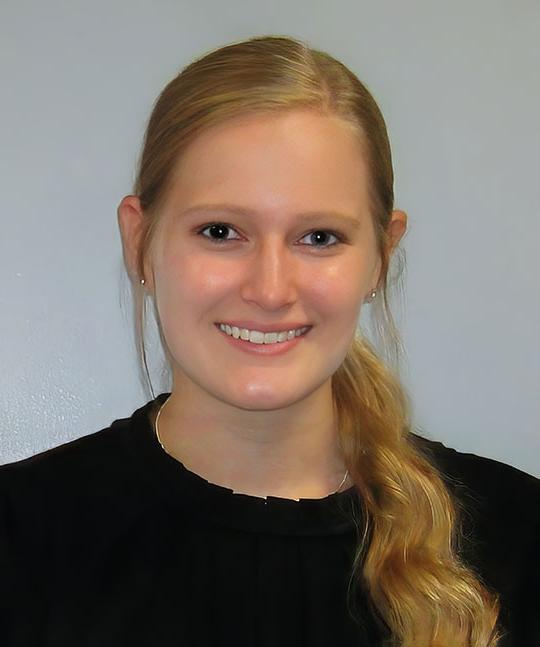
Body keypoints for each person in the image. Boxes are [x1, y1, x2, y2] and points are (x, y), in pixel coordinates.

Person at [0, 35, 538, 647]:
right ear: (139, 242)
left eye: (319, 238)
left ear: (382, 257)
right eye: (221, 230)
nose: (270, 288)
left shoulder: (519, 546)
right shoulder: (20, 539)